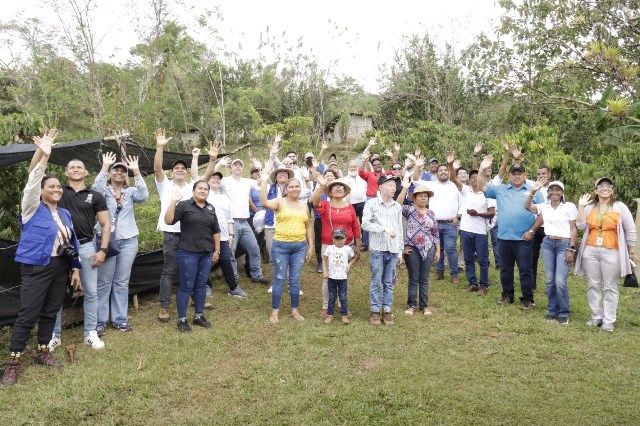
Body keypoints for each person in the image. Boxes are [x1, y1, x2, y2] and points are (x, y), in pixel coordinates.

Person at [1, 130, 81, 387]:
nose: (57, 189)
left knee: (51, 311)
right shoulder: (32, 208)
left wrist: (76, 269)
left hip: (60, 267)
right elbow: (32, 181)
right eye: (52, 186)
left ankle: (42, 351)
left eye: (59, 186)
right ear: (42, 191)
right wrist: (43, 156)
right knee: (27, 314)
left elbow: (72, 242)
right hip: (36, 266)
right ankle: (13, 363)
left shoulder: (66, 214)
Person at [47, 157, 111, 351]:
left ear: (86, 173)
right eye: (71, 167)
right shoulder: (57, 192)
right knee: (56, 293)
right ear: (66, 173)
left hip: (86, 247)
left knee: (91, 292)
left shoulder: (95, 196)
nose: (75, 169)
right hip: (59, 249)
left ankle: (90, 333)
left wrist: (103, 250)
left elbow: (105, 223)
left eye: (79, 167)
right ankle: (54, 335)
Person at [154, 130, 216, 322]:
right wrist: (160, 147)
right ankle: (164, 306)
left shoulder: (192, 187)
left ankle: (197, 299)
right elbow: (157, 169)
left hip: (192, 235)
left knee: (196, 269)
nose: (180, 170)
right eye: (176, 169)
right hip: (172, 234)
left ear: (187, 172)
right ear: (171, 172)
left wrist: (212, 159)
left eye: (183, 168)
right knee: (169, 270)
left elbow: (206, 176)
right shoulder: (165, 185)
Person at [92, 152, 149, 333]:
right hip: (106, 240)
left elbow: (144, 195)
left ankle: (119, 319)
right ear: (110, 174)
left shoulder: (130, 192)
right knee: (104, 282)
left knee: (122, 281)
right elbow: (94, 189)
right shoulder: (103, 192)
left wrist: (136, 171)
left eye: (123, 171)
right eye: (115, 170)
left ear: (126, 176)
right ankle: (100, 321)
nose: (119, 173)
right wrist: (104, 167)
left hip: (128, 240)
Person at [477, 156, 543, 309]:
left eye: (520, 173)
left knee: (525, 269)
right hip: (504, 237)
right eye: (514, 174)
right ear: (509, 176)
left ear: (525, 176)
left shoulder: (534, 191)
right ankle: (507, 294)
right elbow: (481, 186)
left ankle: (527, 299)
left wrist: (532, 231)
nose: (517, 176)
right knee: (505, 269)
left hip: (523, 238)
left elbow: (542, 214)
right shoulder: (500, 189)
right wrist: (481, 168)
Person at [575, 177, 637, 332]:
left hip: (612, 251)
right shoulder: (590, 207)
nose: (605, 188)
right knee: (593, 284)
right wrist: (581, 207)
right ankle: (596, 316)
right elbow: (580, 226)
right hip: (591, 250)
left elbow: (630, 230)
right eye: (601, 186)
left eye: (608, 185)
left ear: (612, 190)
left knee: (610, 286)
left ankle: (609, 320)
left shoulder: (619, 207)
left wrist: (630, 253)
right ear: (596, 190)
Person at [164, 180, 221, 332]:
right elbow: (168, 220)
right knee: (186, 286)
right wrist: (173, 201)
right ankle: (182, 320)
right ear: (194, 191)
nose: (203, 191)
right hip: (187, 252)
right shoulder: (183, 205)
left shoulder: (210, 208)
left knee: (201, 285)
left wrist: (217, 250)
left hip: (206, 252)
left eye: (205, 189)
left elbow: (216, 230)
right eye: (200, 188)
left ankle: (198, 316)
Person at [260, 170, 314, 323]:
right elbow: (264, 203)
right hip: (281, 246)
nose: (295, 189)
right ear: (286, 189)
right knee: (279, 278)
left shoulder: (304, 205)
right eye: (291, 187)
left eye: (297, 186)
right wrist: (264, 182)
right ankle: (275, 312)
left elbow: (308, 226)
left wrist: (310, 246)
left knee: (295, 280)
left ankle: (294, 310)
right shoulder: (279, 201)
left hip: (299, 247)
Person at [525, 179, 577, 324]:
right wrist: (533, 192)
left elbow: (573, 228)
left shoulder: (570, 206)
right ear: (548, 193)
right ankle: (552, 310)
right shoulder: (545, 206)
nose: (555, 192)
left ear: (562, 193)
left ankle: (564, 312)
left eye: (558, 190)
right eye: (552, 190)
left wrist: (571, 249)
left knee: (560, 280)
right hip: (548, 243)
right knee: (549, 280)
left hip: (564, 244)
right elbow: (528, 206)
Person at [211, 157, 268, 284]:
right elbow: (210, 176)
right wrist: (219, 164)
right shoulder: (225, 181)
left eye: (240, 165)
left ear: (243, 168)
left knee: (254, 249)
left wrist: (260, 168)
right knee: (231, 253)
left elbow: (262, 182)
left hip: (245, 222)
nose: (237, 166)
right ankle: (233, 278)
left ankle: (257, 275)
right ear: (231, 168)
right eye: (235, 165)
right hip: (231, 223)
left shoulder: (247, 182)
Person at [311, 173, 362, 317]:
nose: (338, 189)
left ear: (345, 191)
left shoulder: (350, 207)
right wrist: (321, 186)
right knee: (328, 276)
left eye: (341, 187)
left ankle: (341, 304)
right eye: (335, 187)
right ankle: (326, 306)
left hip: (347, 245)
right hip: (328, 245)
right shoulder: (325, 205)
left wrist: (358, 245)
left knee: (344, 274)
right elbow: (315, 203)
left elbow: (355, 226)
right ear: (330, 191)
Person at [414, 153, 464, 284]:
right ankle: (439, 271)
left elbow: (463, 203)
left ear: (448, 172)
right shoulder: (432, 185)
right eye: (440, 170)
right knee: (438, 248)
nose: (443, 172)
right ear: (437, 173)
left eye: (445, 170)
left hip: (450, 224)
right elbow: (415, 179)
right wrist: (417, 166)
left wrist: (458, 217)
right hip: (434, 224)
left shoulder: (454, 186)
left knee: (450, 248)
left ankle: (454, 274)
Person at [362, 175, 404, 326]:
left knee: (389, 282)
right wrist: (384, 229)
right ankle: (374, 311)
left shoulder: (397, 207)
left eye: (395, 186)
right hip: (378, 250)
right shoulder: (372, 204)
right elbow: (365, 224)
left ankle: (387, 311)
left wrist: (400, 251)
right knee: (376, 281)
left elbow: (399, 229)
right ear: (380, 187)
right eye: (390, 185)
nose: (394, 188)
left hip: (392, 250)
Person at [396, 180, 440, 316]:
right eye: (420, 196)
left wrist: (438, 250)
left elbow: (436, 233)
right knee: (413, 277)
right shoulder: (409, 210)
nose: (423, 198)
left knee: (424, 278)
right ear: (414, 198)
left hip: (429, 248)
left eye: (425, 196)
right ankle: (411, 305)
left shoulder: (431, 213)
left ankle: (424, 306)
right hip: (412, 248)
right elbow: (397, 205)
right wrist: (405, 189)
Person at [204, 172, 247, 298]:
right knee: (206, 261)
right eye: (213, 178)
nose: (216, 180)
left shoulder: (224, 197)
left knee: (225, 260)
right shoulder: (204, 195)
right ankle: (206, 286)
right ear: (208, 180)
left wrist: (231, 234)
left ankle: (233, 287)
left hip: (223, 236)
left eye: (218, 179)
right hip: (207, 235)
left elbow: (229, 218)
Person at [322, 227, 356, 325]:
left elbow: (354, 257)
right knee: (331, 297)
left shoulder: (348, 249)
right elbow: (324, 259)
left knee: (343, 297)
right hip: (332, 278)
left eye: (341, 238)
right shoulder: (329, 248)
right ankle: (330, 315)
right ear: (333, 239)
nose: (339, 241)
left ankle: (344, 315)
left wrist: (349, 264)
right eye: (337, 238)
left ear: (346, 238)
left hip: (343, 278)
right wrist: (325, 271)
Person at [311, 169, 338, 273]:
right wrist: (318, 188)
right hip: (320, 218)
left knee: (334, 238)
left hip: (334, 219)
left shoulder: (338, 188)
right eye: (327, 176)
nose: (329, 177)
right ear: (324, 177)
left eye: (331, 176)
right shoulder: (319, 188)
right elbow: (312, 201)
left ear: (335, 178)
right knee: (319, 240)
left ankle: (334, 259)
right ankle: (320, 262)